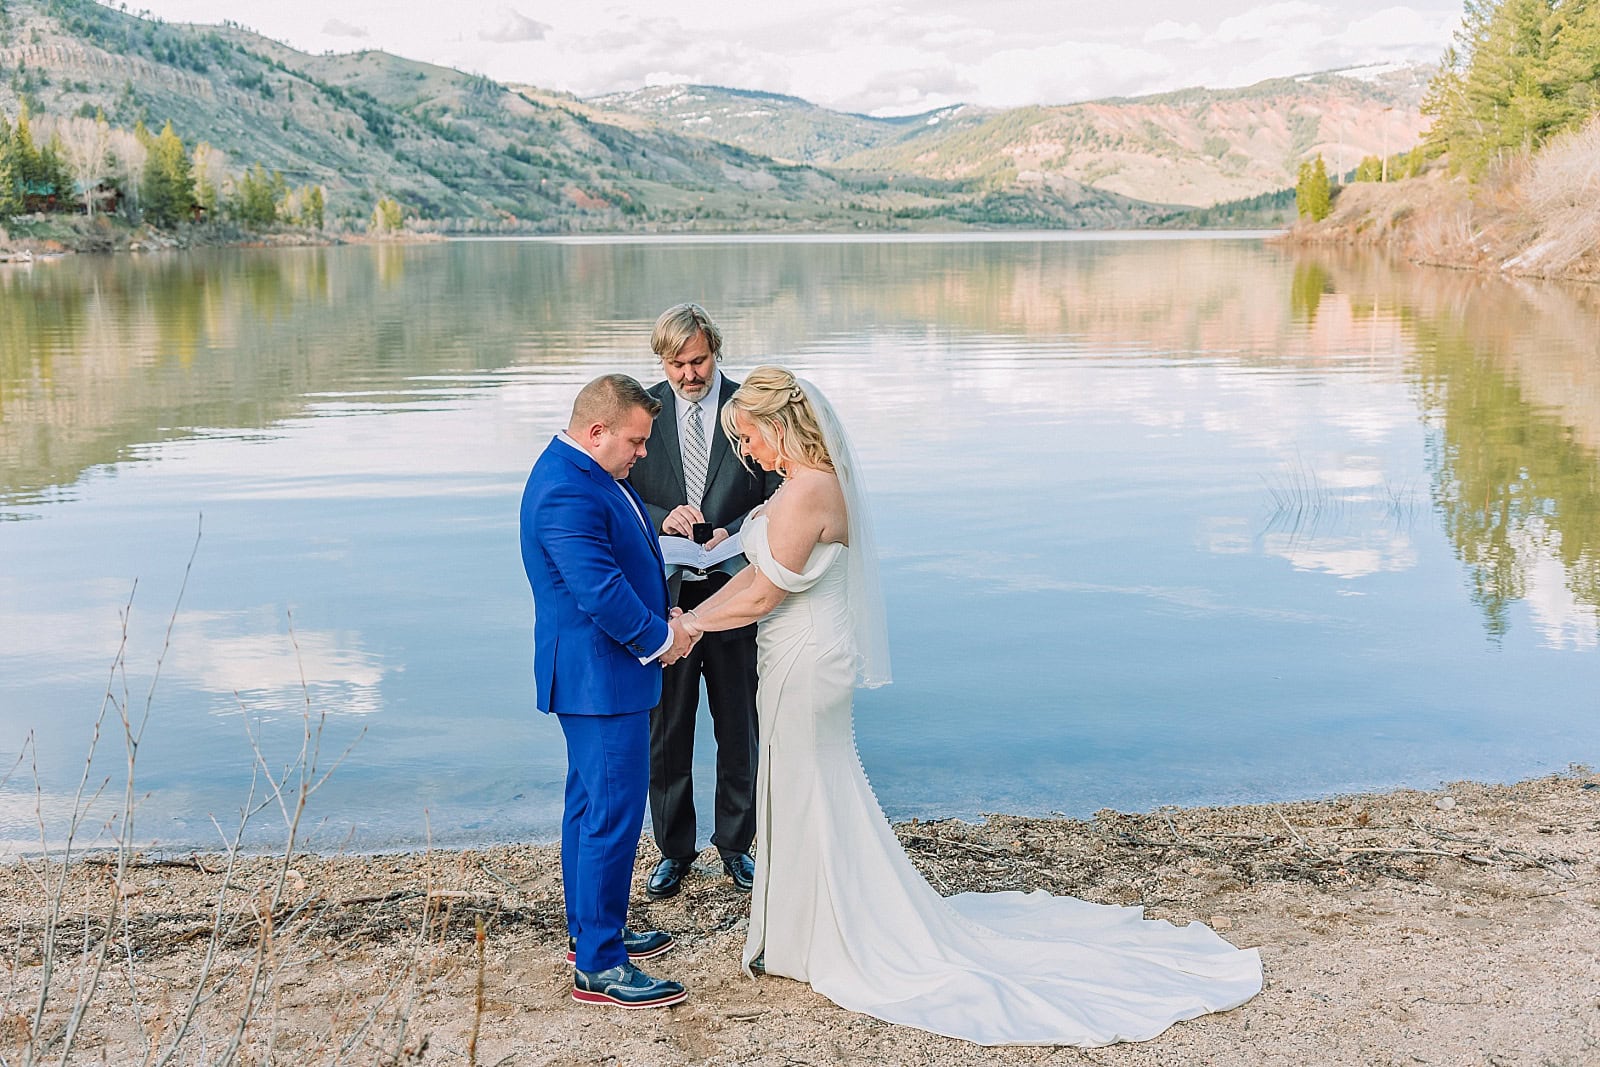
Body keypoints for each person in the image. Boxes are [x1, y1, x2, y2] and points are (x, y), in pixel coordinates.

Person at [675, 367, 1264, 1046]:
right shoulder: (805, 485)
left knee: (812, 784)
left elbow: (761, 593)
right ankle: (804, 928)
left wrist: (689, 626)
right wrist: (695, 613)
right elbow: (753, 575)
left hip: (805, 660)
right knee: (810, 785)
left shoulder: (807, 489)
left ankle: (822, 934)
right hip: (802, 655)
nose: (748, 452)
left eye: (750, 437)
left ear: (777, 425)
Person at [519, 373, 699, 1010]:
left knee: (589, 806)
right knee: (613, 815)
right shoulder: (568, 489)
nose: (644, 453)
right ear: (597, 432)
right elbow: (598, 592)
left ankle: (591, 932)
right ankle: (599, 966)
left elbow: (625, 563)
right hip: (602, 677)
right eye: (637, 441)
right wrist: (661, 639)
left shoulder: (587, 474)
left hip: (602, 676)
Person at [627, 304, 781, 900]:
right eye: (677, 364)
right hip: (662, 599)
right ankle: (674, 849)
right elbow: (616, 492)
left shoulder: (751, 409)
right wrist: (666, 520)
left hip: (738, 590)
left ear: (716, 351)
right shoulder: (640, 411)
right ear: (661, 361)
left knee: (739, 724)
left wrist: (734, 531)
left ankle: (736, 846)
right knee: (666, 730)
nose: (689, 374)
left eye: (699, 361)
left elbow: (778, 489)